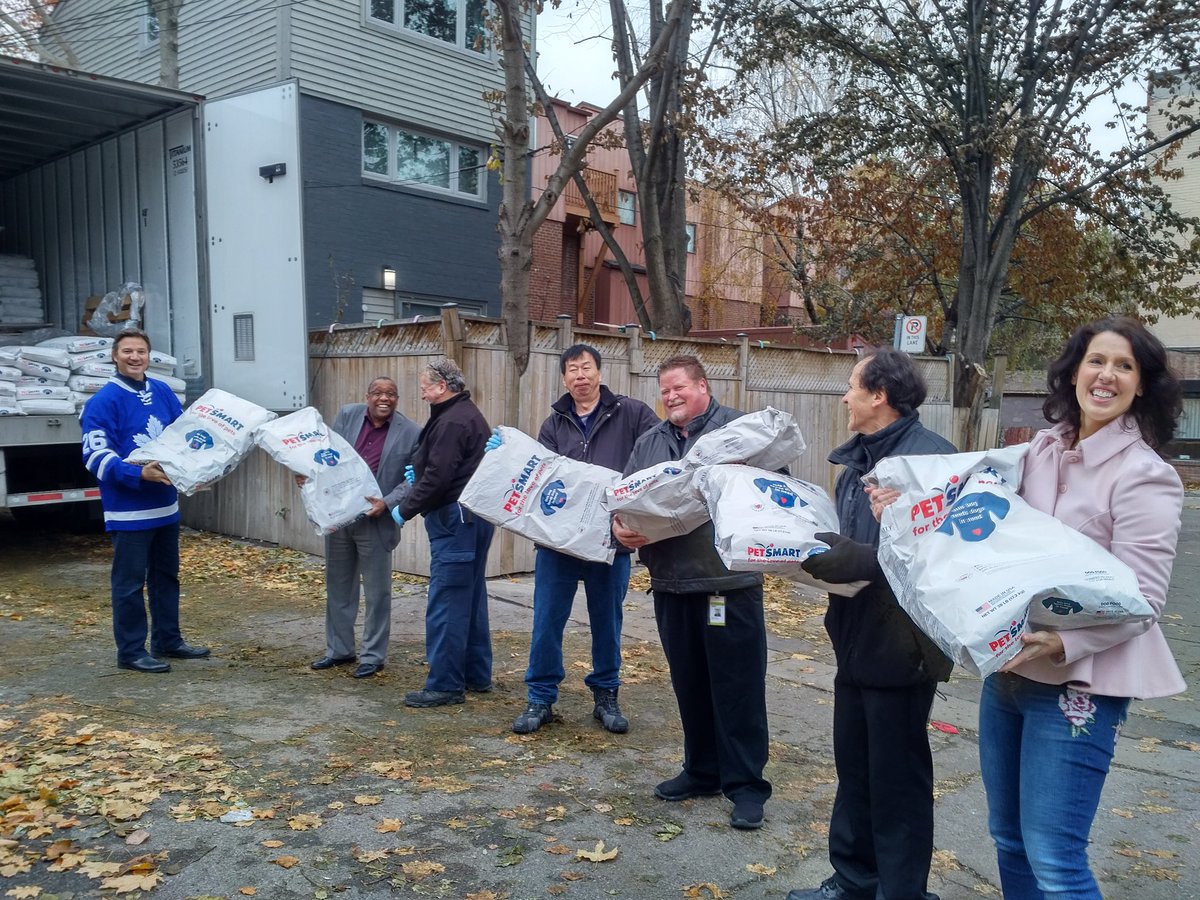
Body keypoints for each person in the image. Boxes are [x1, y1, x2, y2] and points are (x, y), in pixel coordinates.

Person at [976, 318, 1184, 898]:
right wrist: (906, 497)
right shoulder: (1035, 452)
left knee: (1055, 857)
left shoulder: (1147, 476)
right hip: (1010, 670)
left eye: (1124, 366)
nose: (1106, 375)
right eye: (1097, 360)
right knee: (1008, 839)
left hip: (1080, 684)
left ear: (1141, 385)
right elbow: (972, 517)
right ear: (1073, 372)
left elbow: (1143, 601)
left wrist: (1066, 643)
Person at [787, 348, 955, 900]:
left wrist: (858, 557)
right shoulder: (857, 462)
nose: (843, 397)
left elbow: (946, 558)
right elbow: (855, 545)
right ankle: (854, 880)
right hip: (854, 636)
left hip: (904, 646)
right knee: (854, 767)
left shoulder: (933, 462)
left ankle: (901, 891)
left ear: (879, 395)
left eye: (852, 386)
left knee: (897, 779)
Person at [612, 355, 771, 831]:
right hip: (671, 583)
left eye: (678, 387)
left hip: (726, 584)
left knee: (737, 687)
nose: (670, 396)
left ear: (703, 385)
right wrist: (621, 528)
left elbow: (777, 483)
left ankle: (745, 786)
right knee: (690, 683)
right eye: (664, 391)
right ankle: (701, 770)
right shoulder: (651, 441)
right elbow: (625, 498)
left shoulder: (739, 430)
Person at [500, 344, 659, 735]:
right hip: (558, 545)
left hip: (611, 542)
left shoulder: (632, 413)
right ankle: (540, 697)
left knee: (608, 622)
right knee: (547, 622)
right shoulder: (554, 423)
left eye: (586, 367)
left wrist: (635, 509)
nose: (580, 375)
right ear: (564, 378)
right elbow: (539, 479)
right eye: (572, 369)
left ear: (600, 373)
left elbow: (660, 454)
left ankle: (606, 694)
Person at [80, 328, 209, 674]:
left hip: (166, 506)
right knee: (129, 583)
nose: (135, 357)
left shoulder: (163, 390)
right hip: (129, 510)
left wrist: (198, 469)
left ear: (149, 356)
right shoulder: (102, 401)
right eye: (127, 351)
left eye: (141, 351)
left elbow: (182, 438)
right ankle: (131, 651)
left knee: (167, 576)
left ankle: (168, 639)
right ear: (114, 356)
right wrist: (138, 475)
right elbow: (95, 456)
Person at [393, 358, 495, 708]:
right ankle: (476, 675)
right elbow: (438, 467)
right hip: (471, 518)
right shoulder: (460, 413)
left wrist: (403, 508)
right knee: (469, 596)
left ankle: (445, 685)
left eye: (425, 385)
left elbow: (439, 477)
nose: (421, 392)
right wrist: (418, 474)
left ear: (443, 386)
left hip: (456, 521)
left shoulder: (453, 420)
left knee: (448, 600)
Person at [307, 376, 419, 679]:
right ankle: (339, 650)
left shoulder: (411, 432)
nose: (385, 398)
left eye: (391, 394)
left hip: (376, 519)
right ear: (367, 395)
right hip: (341, 516)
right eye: (378, 393)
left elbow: (414, 477)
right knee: (338, 586)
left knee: (378, 592)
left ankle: (372, 655)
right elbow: (326, 453)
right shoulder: (347, 415)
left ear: (397, 399)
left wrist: (387, 502)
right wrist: (308, 474)